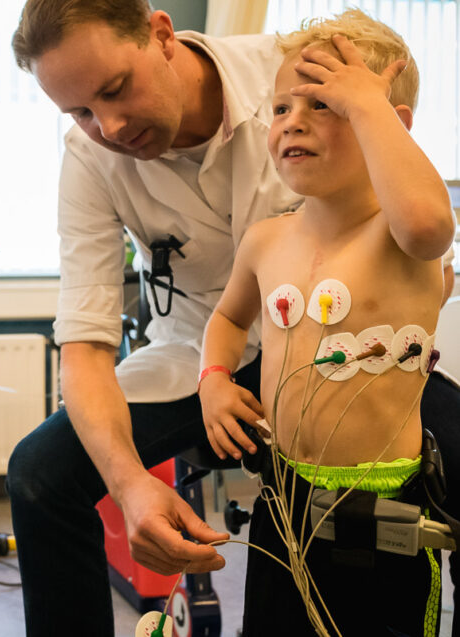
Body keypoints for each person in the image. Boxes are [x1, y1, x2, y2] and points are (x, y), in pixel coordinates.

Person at [5, 2, 460, 635]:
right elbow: (84, 344)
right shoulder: (91, 161)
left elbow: (416, 209)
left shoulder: (298, 73)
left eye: (114, 90)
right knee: (38, 474)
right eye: (79, 112)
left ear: (162, 35)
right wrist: (132, 483)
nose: (106, 125)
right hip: (199, 356)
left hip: (352, 353)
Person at [198, 10, 453, 635]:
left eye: (327, 105)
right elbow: (229, 317)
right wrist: (213, 377)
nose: (294, 122)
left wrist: (370, 107)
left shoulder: (400, 237)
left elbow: (428, 222)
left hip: (381, 508)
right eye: (281, 108)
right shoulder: (265, 239)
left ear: (390, 128)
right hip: (283, 494)